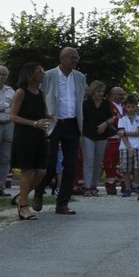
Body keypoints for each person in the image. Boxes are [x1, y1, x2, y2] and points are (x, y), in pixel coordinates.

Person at [41, 46, 87, 213]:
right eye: (71, 57)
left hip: (72, 124)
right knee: (50, 164)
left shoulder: (80, 77)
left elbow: (81, 100)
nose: (75, 60)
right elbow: (40, 96)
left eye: (76, 57)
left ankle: (62, 203)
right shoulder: (48, 75)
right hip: (53, 123)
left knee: (70, 165)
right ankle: (39, 191)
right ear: (62, 59)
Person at [10, 63, 52, 220]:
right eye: (39, 71)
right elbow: (12, 116)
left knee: (41, 171)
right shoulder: (20, 92)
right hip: (25, 136)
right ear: (30, 75)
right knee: (27, 171)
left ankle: (21, 197)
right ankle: (23, 207)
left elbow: (43, 112)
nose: (43, 74)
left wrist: (49, 116)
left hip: (40, 136)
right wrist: (34, 123)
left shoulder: (41, 93)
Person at [118, 97, 139, 199]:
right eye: (128, 107)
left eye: (133, 107)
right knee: (126, 168)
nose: (130, 109)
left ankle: (136, 184)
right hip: (125, 146)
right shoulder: (122, 119)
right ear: (125, 107)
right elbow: (122, 135)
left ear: (136, 107)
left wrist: (125, 132)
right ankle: (127, 188)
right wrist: (129, 147)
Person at [0, 65, 15, 193]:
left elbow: (17, 106)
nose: (0, 76)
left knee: (5, 158)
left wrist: (2, 107)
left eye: (3, 74)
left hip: (9, 125)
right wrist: (7, 105)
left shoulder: (10, 91)